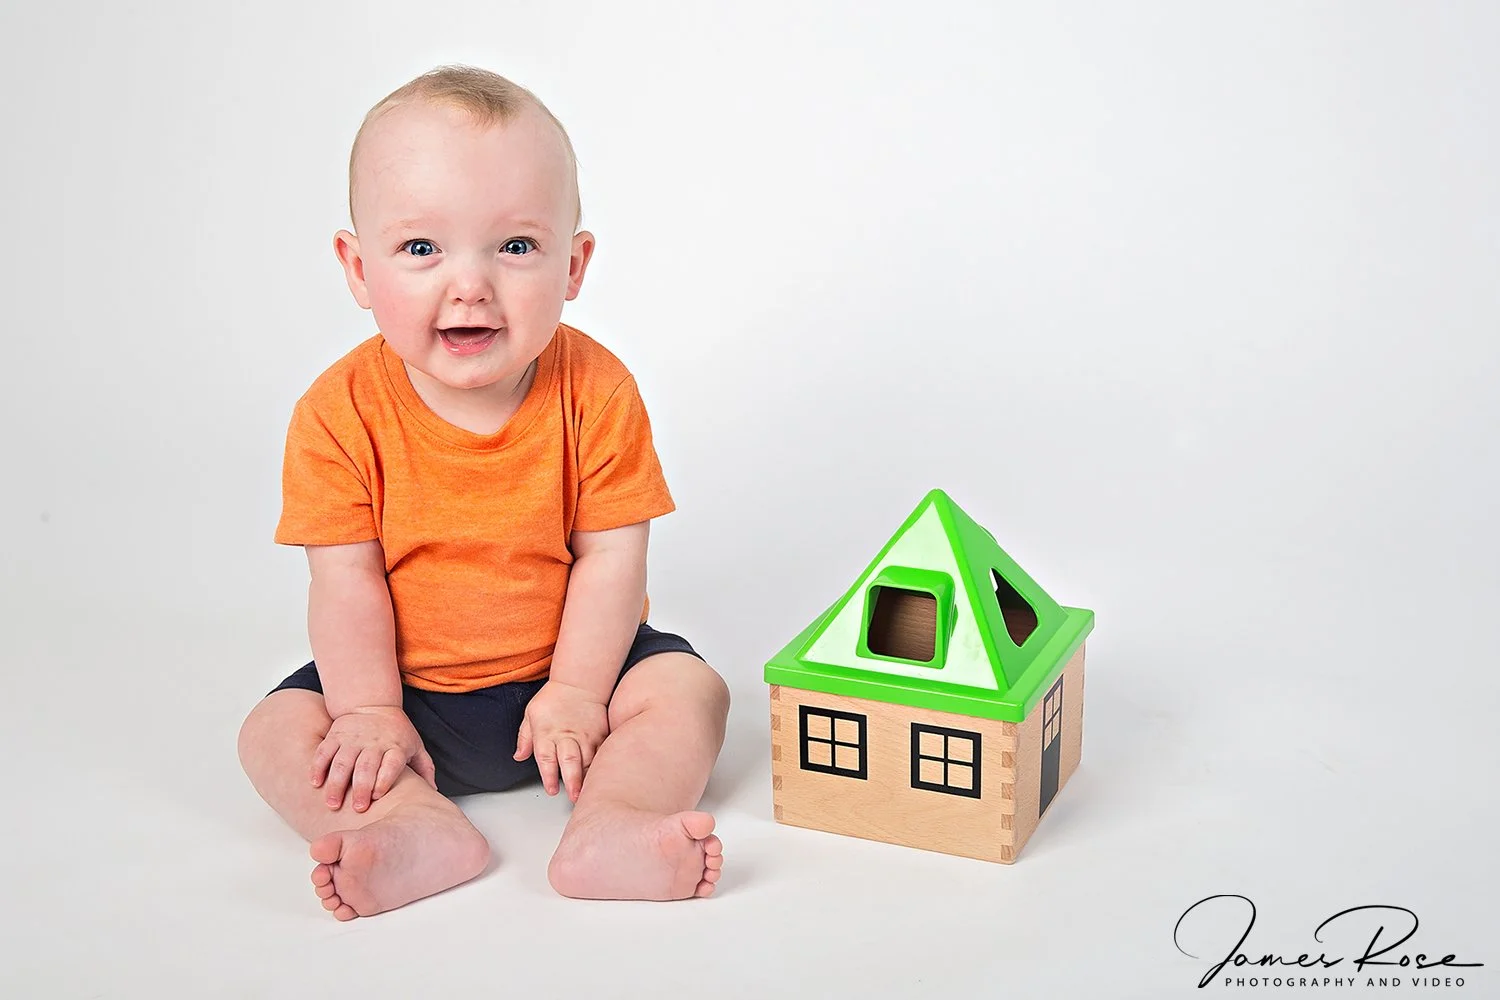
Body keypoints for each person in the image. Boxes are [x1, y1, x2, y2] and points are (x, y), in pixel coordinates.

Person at [236, 64, 730, 920]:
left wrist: (578, 692)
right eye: (421, 249)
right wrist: (367, 712)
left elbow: (613, 555)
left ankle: (614, 820)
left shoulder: (596, 390)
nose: (470, 285)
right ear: (358, 269)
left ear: (573, 265)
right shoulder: (338, 412)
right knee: (274, 732)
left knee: (691, 692)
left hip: (580, 681)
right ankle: (411, 825)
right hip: (403, 694)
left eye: (516, 246)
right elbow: (344, 578)